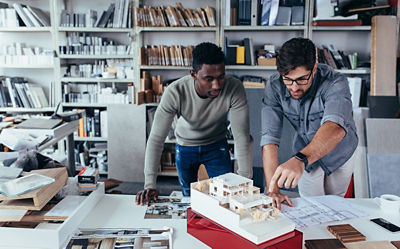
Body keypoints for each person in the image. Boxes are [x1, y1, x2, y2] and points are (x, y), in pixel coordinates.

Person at [135, 42, 252, 205]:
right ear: (193, 74)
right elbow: (156, 139)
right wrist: (149, 184)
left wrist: (244, 183)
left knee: (226, 199)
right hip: (185, 146)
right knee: (189, 200)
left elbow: (242, 137)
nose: (217, 85)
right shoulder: (175, 91)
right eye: (209, 79)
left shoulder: (234, 88)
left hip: (217, 145)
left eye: (221, 77)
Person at [261, 38, 358, 209]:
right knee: (310, 207)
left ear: (314, 68)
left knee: (335, 207)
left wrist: (300, 159)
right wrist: (272, 189)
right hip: (305, 151)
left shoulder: (336, 82)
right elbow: (269, 138)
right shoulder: (275, 86)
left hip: (339, 152)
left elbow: (334, 127)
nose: (294, 87)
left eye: (301, 79)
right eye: (288, 79)